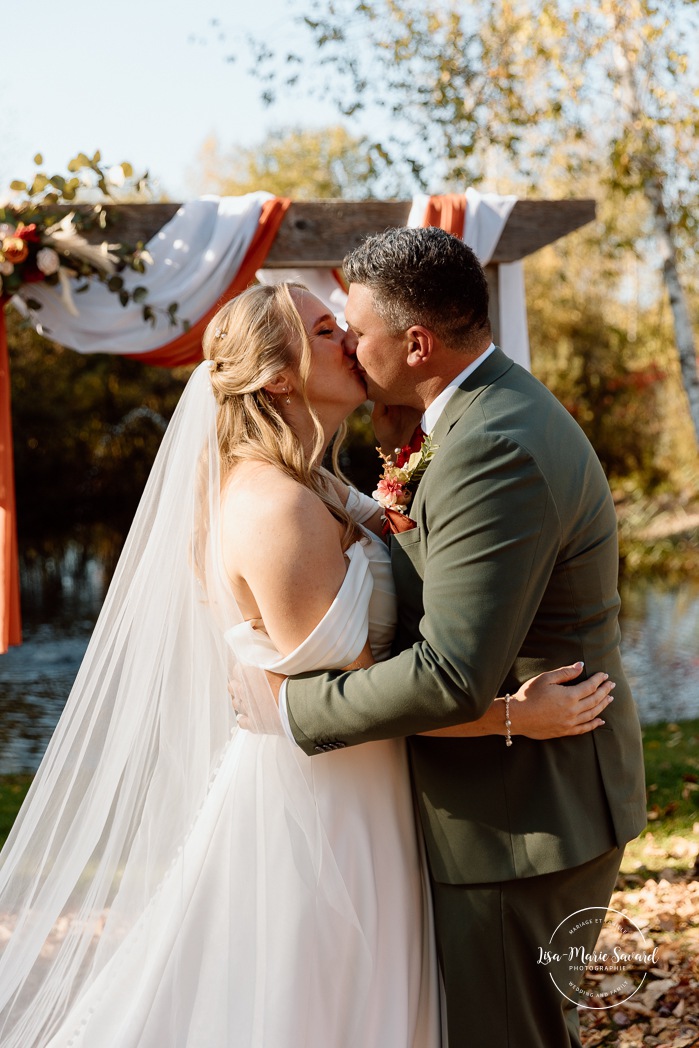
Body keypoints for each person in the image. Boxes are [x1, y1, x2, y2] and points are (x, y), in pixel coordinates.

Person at [0, 280, 614, 1048]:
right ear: (280, 376)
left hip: (360, 799)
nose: (350, 341)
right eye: (327, 330)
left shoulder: (315, 486)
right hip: (321, 815)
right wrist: (517, 717)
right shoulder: (276, 508)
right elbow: (363, 707)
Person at [250, 233, 647, 1048]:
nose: (352, 351)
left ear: (417, 343)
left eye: (354, 331)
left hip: (517, 820)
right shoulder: (476, 414)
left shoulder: (487, 445)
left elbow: (450, 676)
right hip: (519, 805)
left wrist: (296, 710)